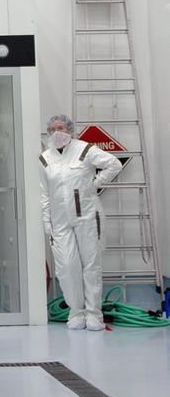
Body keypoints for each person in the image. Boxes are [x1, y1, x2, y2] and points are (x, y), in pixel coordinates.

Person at [40, 113, 122, 331]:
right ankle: (76, 311)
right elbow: (44, 194)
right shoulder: (45, 158)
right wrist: (46, 221)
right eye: (53, 129)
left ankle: (94, 313)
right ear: (48, 132)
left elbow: (114, 164)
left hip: (87, 215)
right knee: (66, 266)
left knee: (90, 265)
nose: (57, 133)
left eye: (62, 128)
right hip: (59, 221)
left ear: (70, 130)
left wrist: (95, 183)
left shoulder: (84, 150)